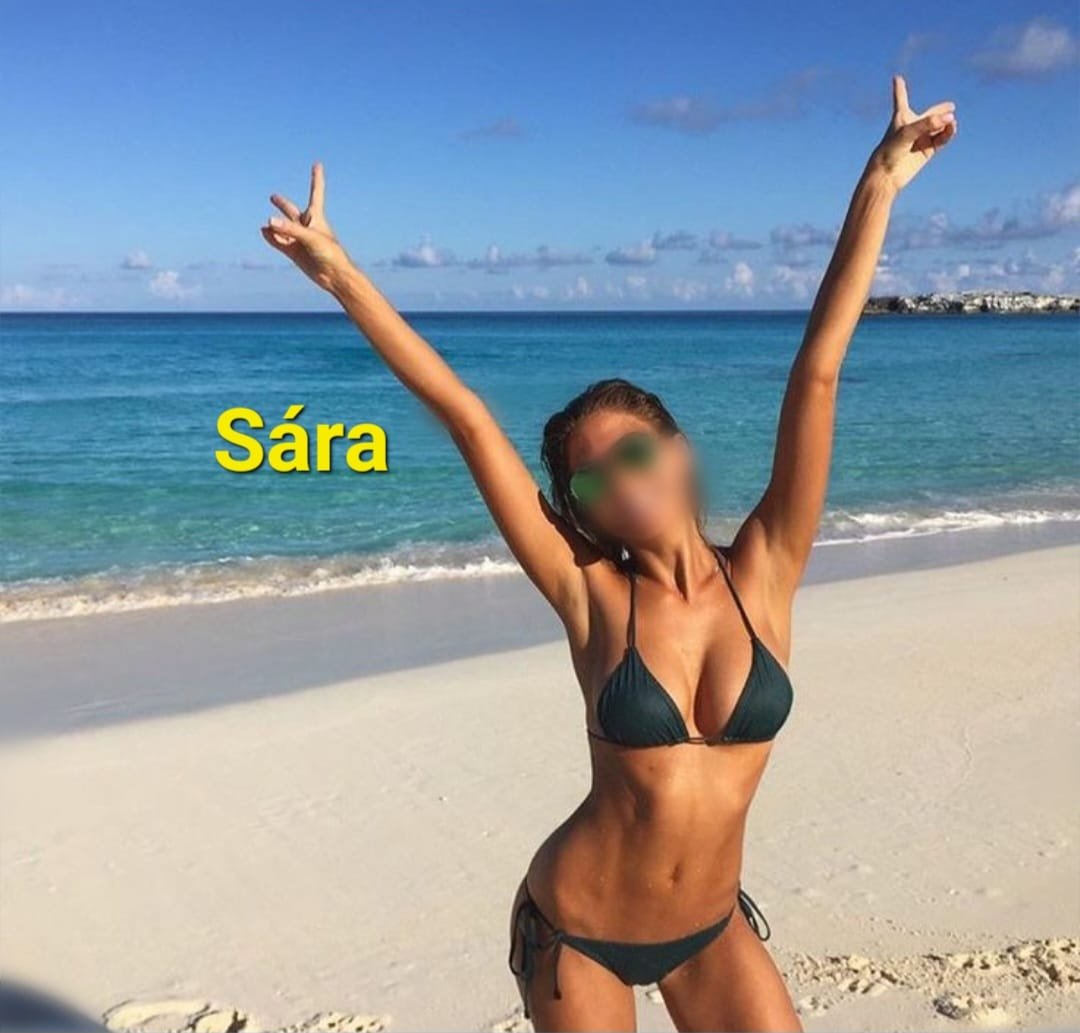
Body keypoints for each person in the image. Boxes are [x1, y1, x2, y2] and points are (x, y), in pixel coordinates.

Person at [261, 75, 956, 1032]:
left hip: (710, 925)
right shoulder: (590, 594)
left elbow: (819, 372)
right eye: (591, 482)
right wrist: (340, 274)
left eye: (633, 454)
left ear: (677, 450)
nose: (621, 485)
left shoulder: (766, 568)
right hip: (577, 930)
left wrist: (878, 183)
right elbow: (467, 419)